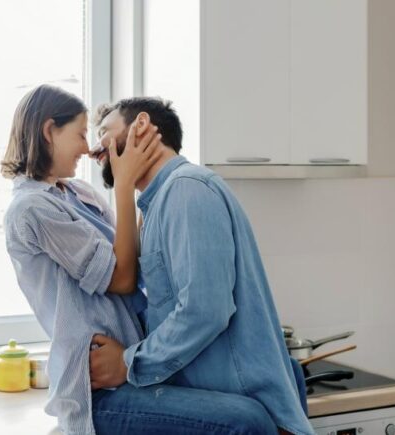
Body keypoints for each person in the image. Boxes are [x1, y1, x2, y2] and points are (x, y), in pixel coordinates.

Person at [1, 85, 280, 435]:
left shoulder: (80, 194)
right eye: (82, 134)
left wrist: (133, 188)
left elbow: (129, 260)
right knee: (246, 421)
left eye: (96, 133)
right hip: (100, 389)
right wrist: (123, 184)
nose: (89, 147)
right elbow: (121, 277)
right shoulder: (32, 209)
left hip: (130, 371)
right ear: (48, 131)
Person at [87, 96, 315, 435]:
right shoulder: (158, 204)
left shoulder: (186, 190)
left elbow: (204, 310)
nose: (95, 148)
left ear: (141, 126)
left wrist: (128, 364)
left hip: (240, 403)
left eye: (104, 132)